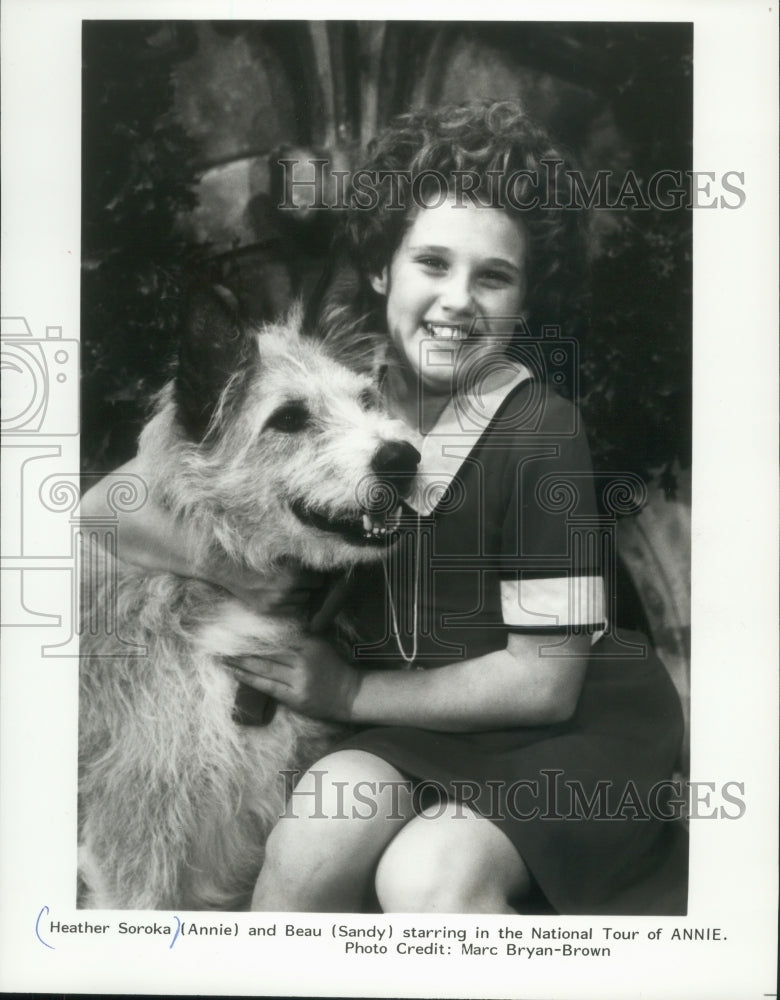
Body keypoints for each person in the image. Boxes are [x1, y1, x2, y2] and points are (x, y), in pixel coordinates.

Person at [82, 101, 688, 915]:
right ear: (382, 272)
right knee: (306, 845)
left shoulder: (543, 432)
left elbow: (543, 686)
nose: (457, 301)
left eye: (494, 276)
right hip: (418, 727)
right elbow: (98, 510)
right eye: (432, 263)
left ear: (526, 297)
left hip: (561, 728)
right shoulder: (348, 389)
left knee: (428, 879)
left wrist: (344, 696)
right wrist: (231, 570)